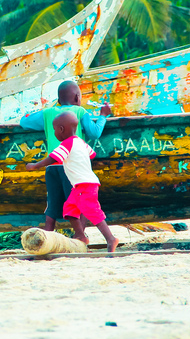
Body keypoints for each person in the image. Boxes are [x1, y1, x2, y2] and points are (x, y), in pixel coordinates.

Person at [19, 81, 111, 231]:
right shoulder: (80, 111)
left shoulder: (47, 113)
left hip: (52, 167)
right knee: (79, 202)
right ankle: (81, 235)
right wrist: (103, 116)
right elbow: (94, 133)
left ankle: (48, 235)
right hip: (73, 168)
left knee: (52, 203)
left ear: (59, 99)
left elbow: (24, 122)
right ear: (77, 97)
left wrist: (32, 112)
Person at [27, 111, 119, 252]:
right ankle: (80, 235)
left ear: (61, 129)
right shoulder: (80, 142)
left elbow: (53, 158)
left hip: (85, 184)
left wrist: (35, 165)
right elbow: (92, 154)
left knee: (92, 210)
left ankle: (110, 238)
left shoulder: (67, 143)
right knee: (69, 209)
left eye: (55, 129)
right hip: (80, 185)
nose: (54, 132)